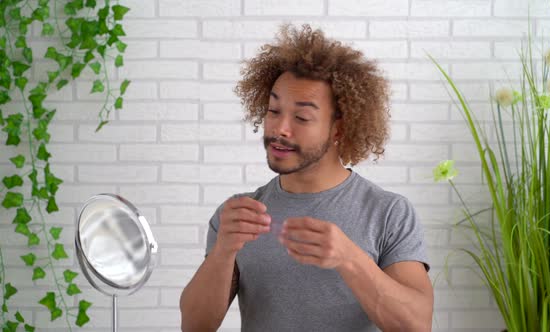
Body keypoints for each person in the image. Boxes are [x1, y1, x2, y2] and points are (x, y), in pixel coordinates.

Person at [180, 24, 433, 332]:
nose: (280, 128)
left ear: (339, 128)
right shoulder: (239, 214)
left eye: (301, 117)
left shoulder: (388, 212)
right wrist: (223, 252)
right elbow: (195, 326)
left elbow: (417, 325)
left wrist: (349, 258)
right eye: (274, 111)